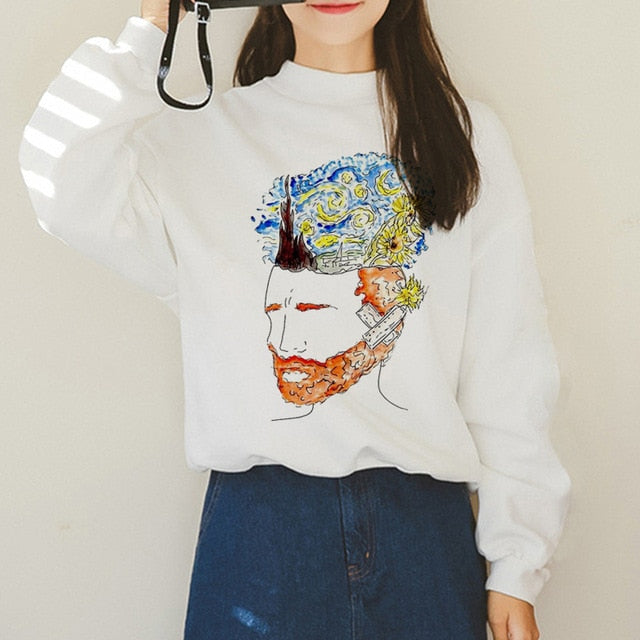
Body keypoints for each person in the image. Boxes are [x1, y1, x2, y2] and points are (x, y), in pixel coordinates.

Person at [18, 1, 571, 638]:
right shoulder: (205, 138)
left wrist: (516, 562)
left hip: (425, 537)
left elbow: (508, 360)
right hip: (260, 538)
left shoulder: (462, 135)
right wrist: (152, 29)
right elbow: (63, 186)